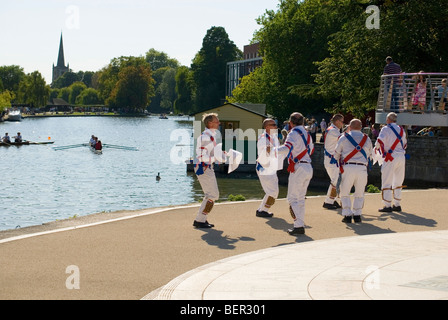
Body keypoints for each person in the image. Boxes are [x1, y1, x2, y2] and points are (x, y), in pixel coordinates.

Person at [276, 112, 314, 236]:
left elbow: (286, 148)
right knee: (301, 198)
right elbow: (312, 150)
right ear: (303, 122)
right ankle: (300, 225)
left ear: (291, 123)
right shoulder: (307, 134)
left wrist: (271, 150)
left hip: (298, 168)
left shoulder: (292, 133)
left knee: (292, 198)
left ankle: (298, 226)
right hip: (308, 166)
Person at [333, 119, 372, 223]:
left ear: (349, 126)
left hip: (348, 167)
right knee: (359, 192)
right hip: (362, 168)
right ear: (361, 127)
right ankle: (357, 214)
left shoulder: (344, 137)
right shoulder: (366, 139)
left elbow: (336, 153)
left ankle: (347, 215)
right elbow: (369, 154)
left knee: (345, 192)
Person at [193, 113, 227, 229]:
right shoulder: (206, 137)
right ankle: (199, 220)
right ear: (210, 123)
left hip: (205, 166)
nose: (219, 123)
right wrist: (217, 158)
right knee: (212, 194)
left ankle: (201, 219)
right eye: (217, 121)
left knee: (211, 194)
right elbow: (202, 156)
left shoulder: (210, 136)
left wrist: (223, 155)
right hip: (203, 166)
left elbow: (211, 154)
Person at [375, 112, 407, 213]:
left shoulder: (385, 129)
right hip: (401, 156)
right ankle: (397, 204)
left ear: (388, 119)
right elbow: (405, 144)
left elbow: (379, 142)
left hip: (390, 157)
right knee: (398, 180)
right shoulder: (401, 129)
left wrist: (376, 150)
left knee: (386, 180)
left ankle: (387, 205)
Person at [255, 118, 284, 218]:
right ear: (267, 127)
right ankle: (262, 210)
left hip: (270, 167)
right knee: (273, 192)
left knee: (272, 191)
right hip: (265, 167)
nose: (276, 126)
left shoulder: (273, 137)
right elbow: (265, 152)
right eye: (273, 125)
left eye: (275, 125)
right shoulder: (264, 138)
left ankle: (262, 210)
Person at [322, 114, 344, 210]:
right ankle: (328, 201)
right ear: (338, 121)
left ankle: (332, 198)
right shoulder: (333, 131)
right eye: (342, 122)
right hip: (331, 159)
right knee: (334, 181)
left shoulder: (331, 129)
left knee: (335, 180)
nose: (342, 124)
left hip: (330, 159)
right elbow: (343, 139)